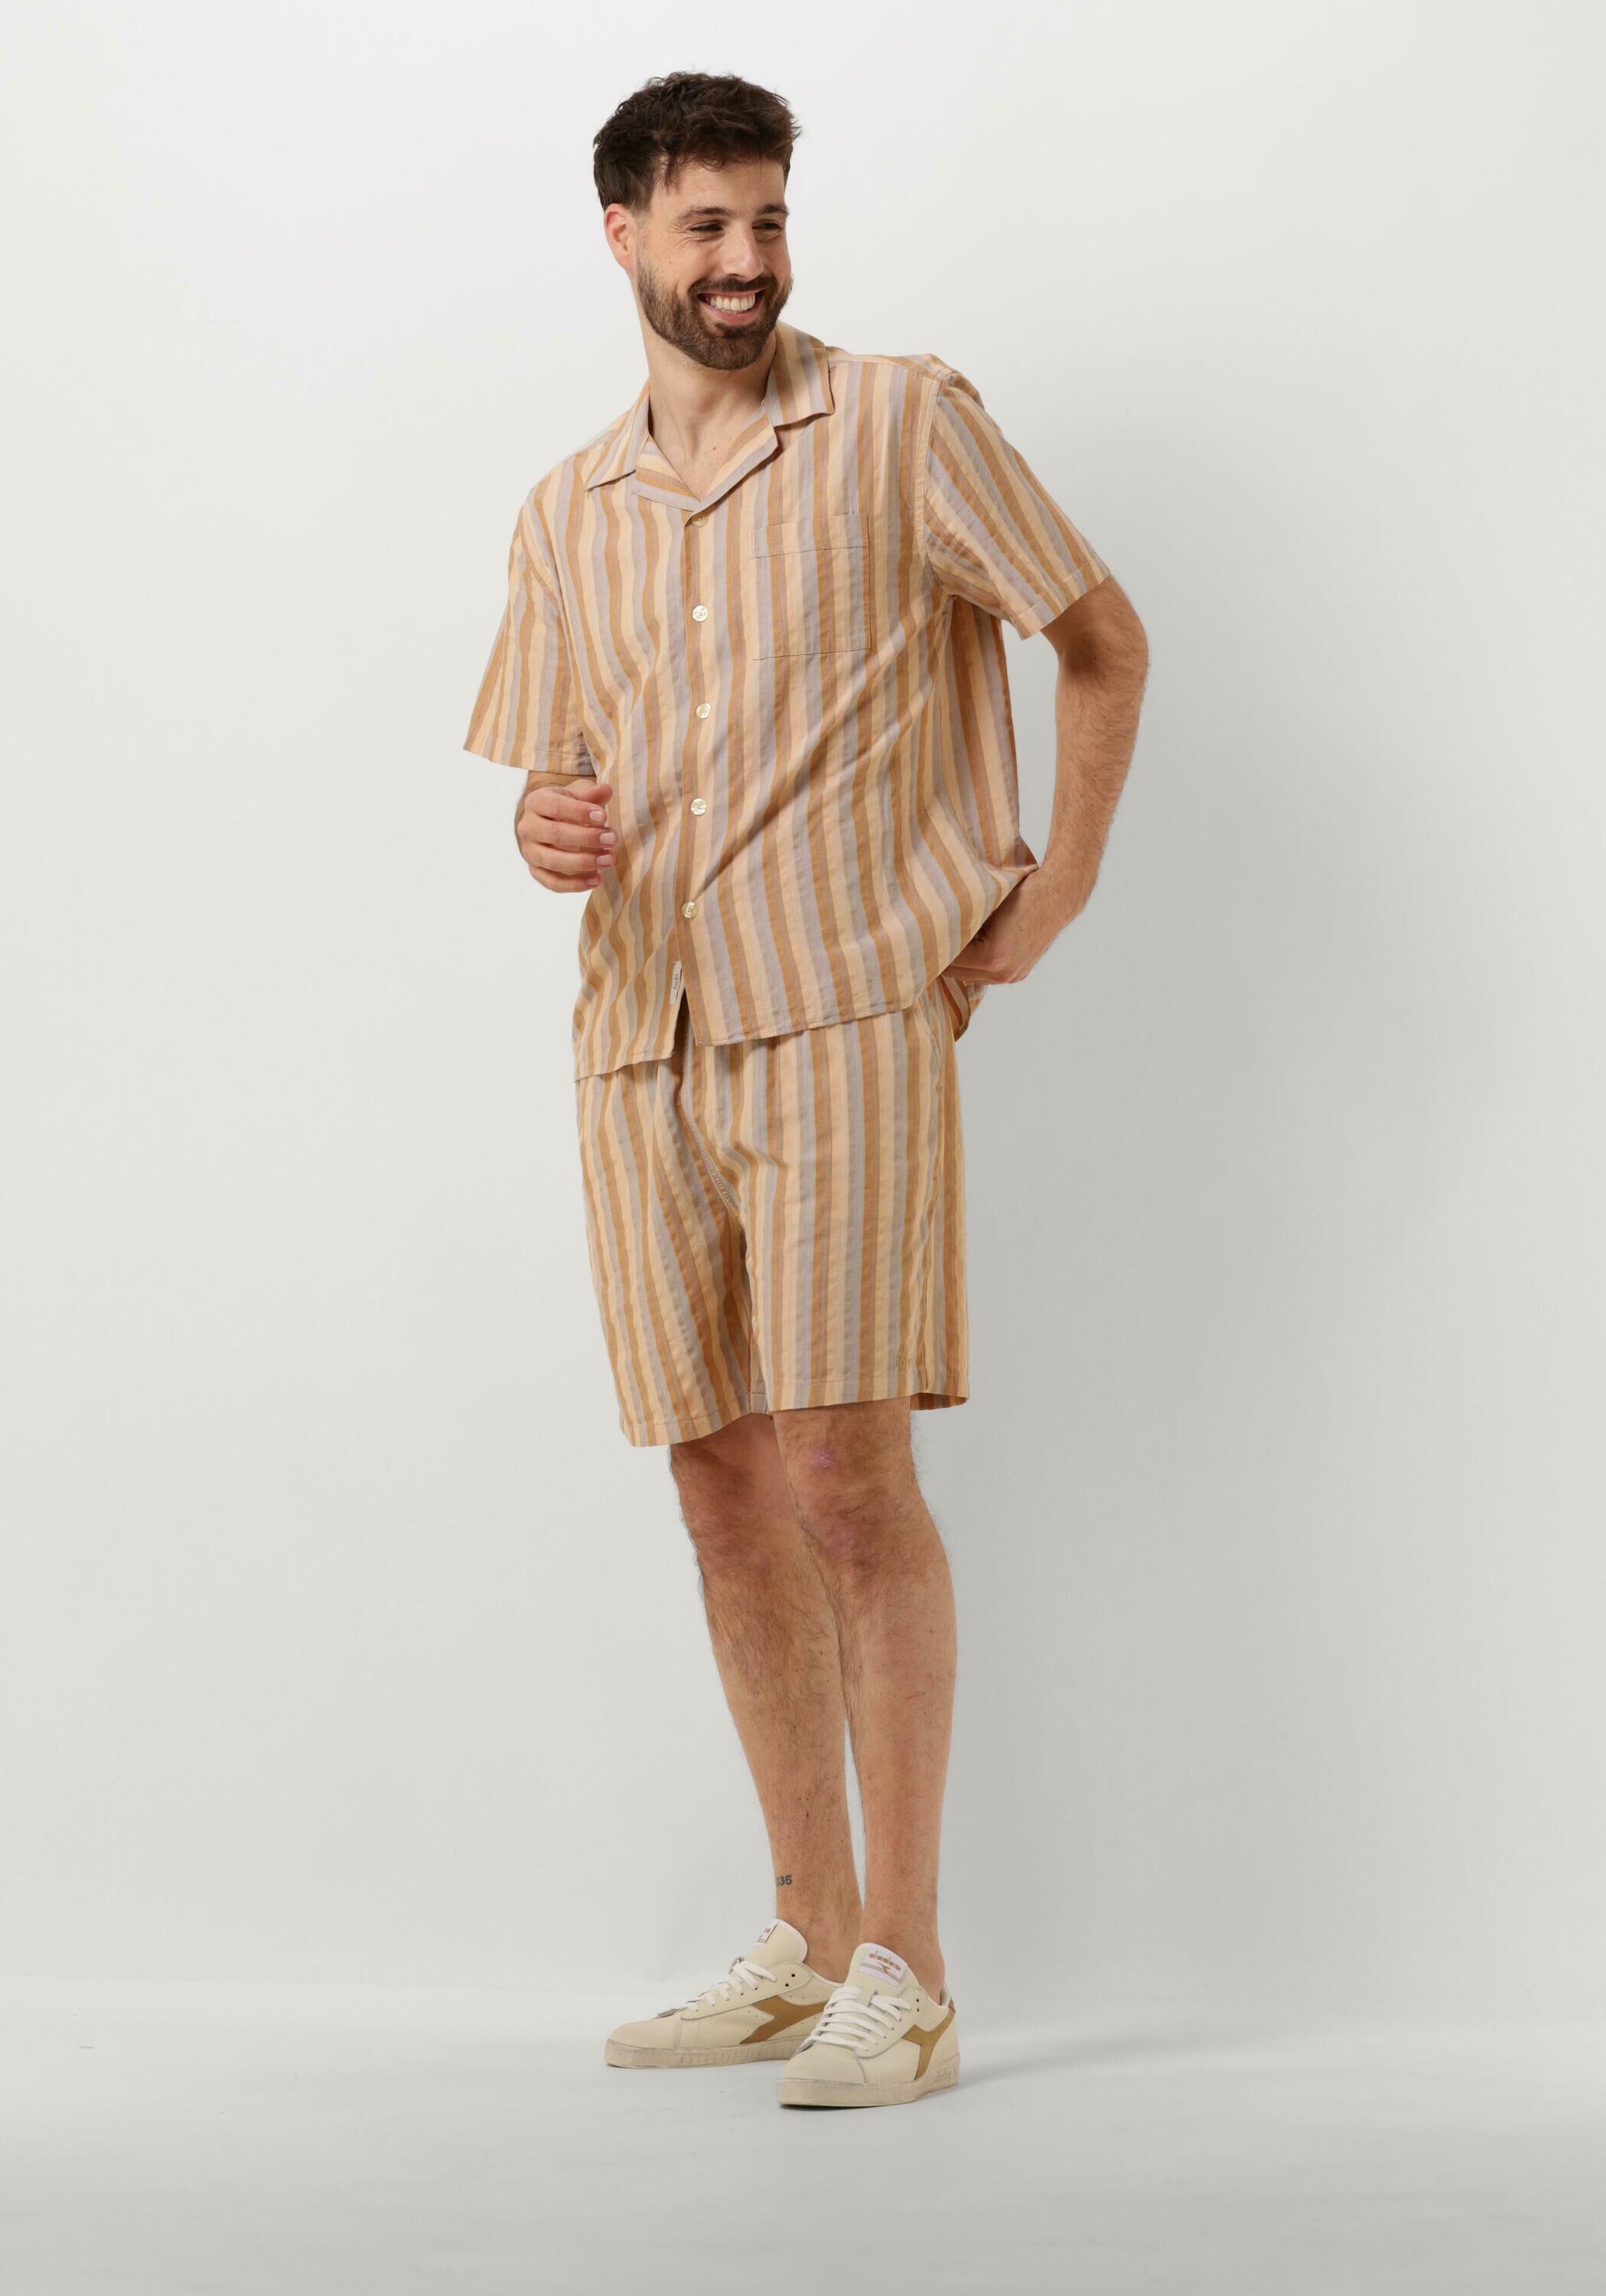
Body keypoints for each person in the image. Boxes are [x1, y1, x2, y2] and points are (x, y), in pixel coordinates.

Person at [462, 70, 1148, 2110]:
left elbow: (1100, 639)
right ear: (620, 235)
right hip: (640, 1036)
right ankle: (802, 1929)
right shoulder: (565, 508)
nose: (747, 261)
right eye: (705, 226)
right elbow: (557, 782)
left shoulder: (903, 422)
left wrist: (1051, 889)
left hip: (847, 1017)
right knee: (717, 1486)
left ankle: (906, 1969)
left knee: (847, 1476)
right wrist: (546, 834)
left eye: (766, 219)